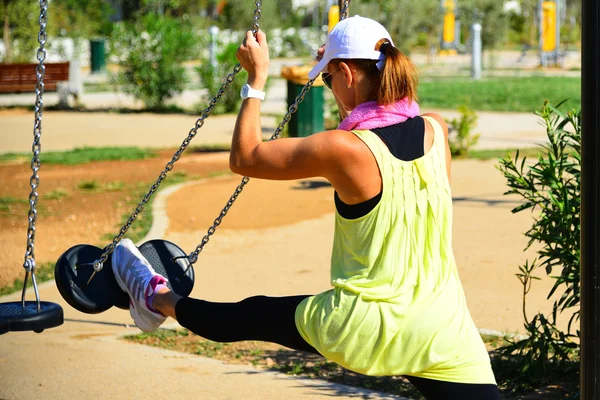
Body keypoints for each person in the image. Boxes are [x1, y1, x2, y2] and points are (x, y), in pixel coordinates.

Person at [111, 16, 500, 400]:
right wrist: (337, 64)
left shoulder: (345, 149)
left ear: (346, 74)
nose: (329, 88)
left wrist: (256, 79)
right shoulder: (437, 130)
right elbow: (393, 121)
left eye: (329, 80)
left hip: (367, 325)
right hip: (444, 327)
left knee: (250, 315)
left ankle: (152, 297)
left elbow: (246, 157)